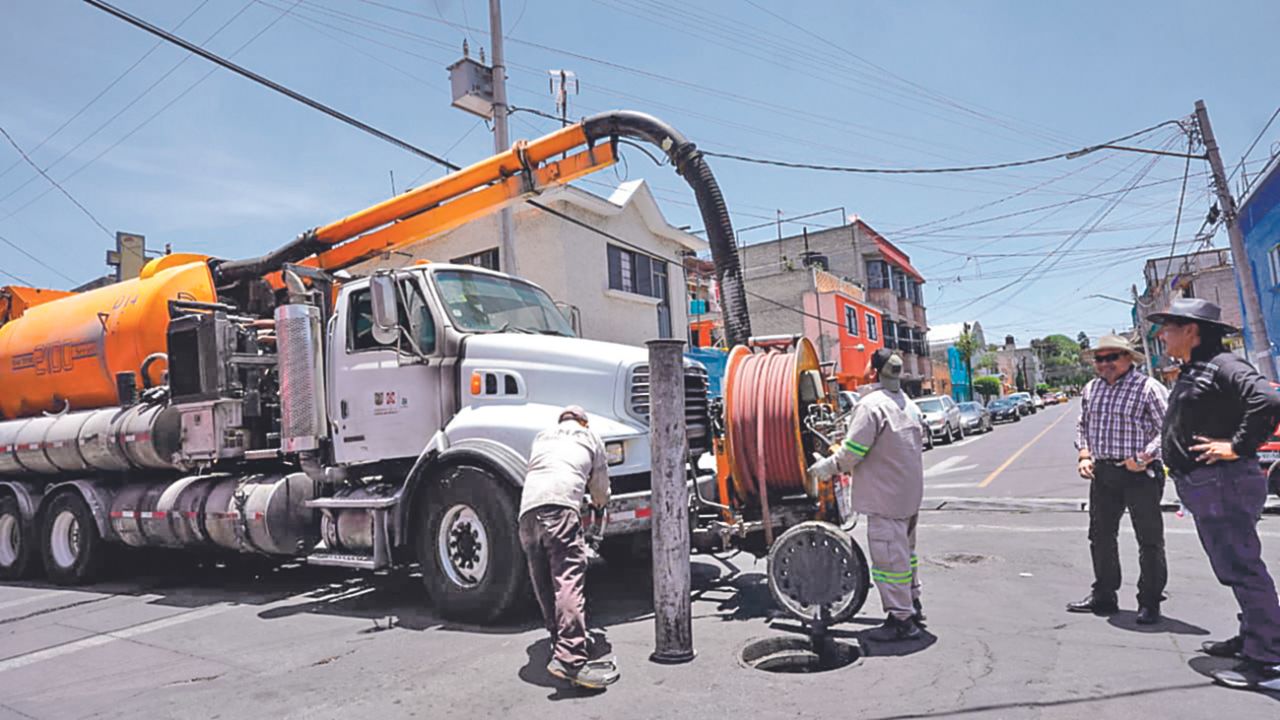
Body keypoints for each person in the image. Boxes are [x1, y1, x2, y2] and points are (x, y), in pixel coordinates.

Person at [1150, 298, 1280, 692]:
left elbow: (1270, 399)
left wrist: (1237, 446)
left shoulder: (1224, 366)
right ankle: (1255, 635)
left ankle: (1266, 656)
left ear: (1193, 330)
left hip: (1223, 482)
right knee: (1235, 566)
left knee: (1241, 567)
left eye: (1169, 326)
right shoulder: (1197, 368)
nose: (1161, 334)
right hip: (1209, 485)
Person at [808, 349, 926, 641]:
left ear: (874, 372)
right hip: (908, 496)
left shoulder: (872, 406)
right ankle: (913, 603)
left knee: (889, 562)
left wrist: (826, 467)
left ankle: (901, 620)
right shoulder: (908, 404)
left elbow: (853, 453)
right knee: (906, 555)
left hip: (885, 500)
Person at [1069, 334, 1169, 623]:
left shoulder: (1148, 388)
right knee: (1100, 536)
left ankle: (1150, 601)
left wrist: (1144, 456)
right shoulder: (1091, 389)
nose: (1105, 364)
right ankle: (1104, 594)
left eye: (1112, 357)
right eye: (1100, 359)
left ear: (1128, 359)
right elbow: (1082, 425)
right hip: (1104, 473)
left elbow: (1170, 429)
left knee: (1149, 539)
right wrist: (1084, 455)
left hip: (1141, 474)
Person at [518, 405, 619, 690]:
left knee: (543, 583)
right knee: (567, 581)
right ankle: (571, 657)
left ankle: (557, 641)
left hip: (527, 513)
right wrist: (600, 504)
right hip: (560, 509)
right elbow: (599, 487)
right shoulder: (589, 437)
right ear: (583, 422)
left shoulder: (542, 437)